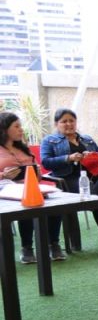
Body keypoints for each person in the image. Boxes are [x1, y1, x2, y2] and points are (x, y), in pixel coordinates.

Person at [40, 107, 98, 251]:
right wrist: (68, 158)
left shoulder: (87, 139)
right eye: (64, 121)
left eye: (71, 121)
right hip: (67, 179)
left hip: (92, 178)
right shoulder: (49, 140)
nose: (68, 124)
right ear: (56, 124)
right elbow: (45, 162)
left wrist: (92, 156)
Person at [0, 113, 56, 264]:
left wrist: (36, 172)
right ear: (4, 129)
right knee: (27, 204)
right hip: (5, 190)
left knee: (55, 201)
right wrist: (3, 175)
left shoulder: (25, 150)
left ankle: (54, 243)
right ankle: (27, 248)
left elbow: (36, 179)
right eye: (16, 126)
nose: (21, 130)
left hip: (29, 187)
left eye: (21, 126)